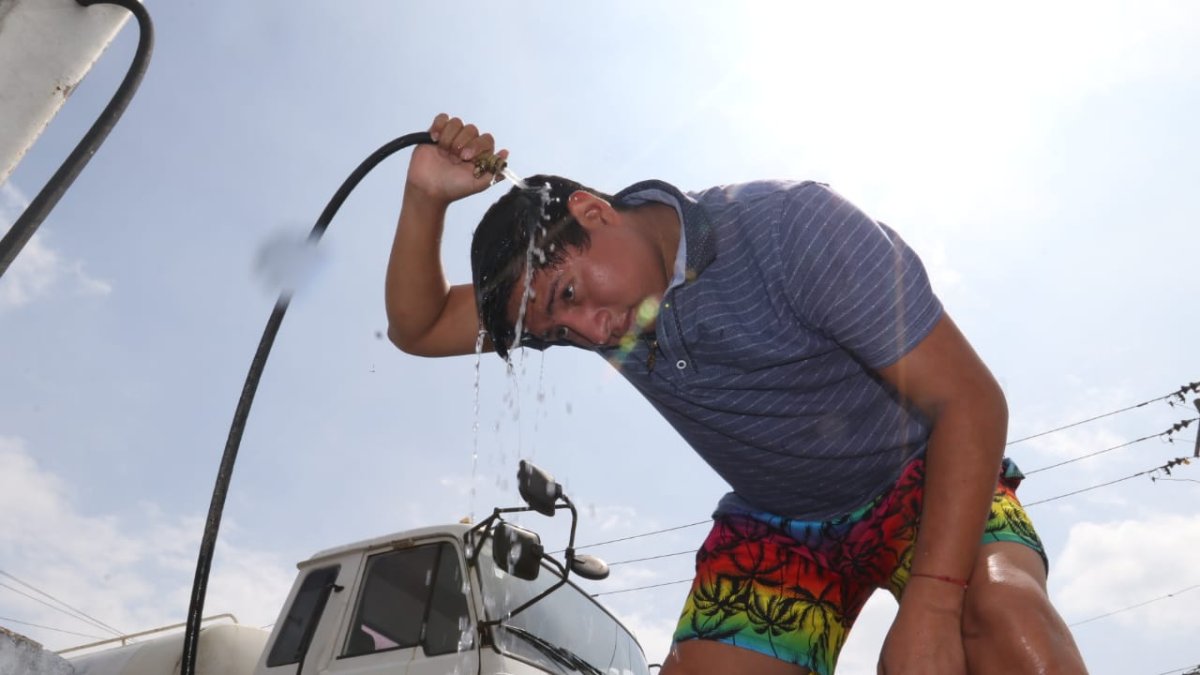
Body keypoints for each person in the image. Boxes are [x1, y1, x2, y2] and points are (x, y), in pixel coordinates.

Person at [385, 114, 1087, 675]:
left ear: (593, 211)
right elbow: (416, 326)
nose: (590, 330)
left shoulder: (792, 229)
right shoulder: (585, 312)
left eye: (569, 294)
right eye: (556, 331)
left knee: (1003, 624)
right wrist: (424, 195)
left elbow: (971, 400)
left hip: (920, 479)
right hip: (778, 525)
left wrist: (932, 606)